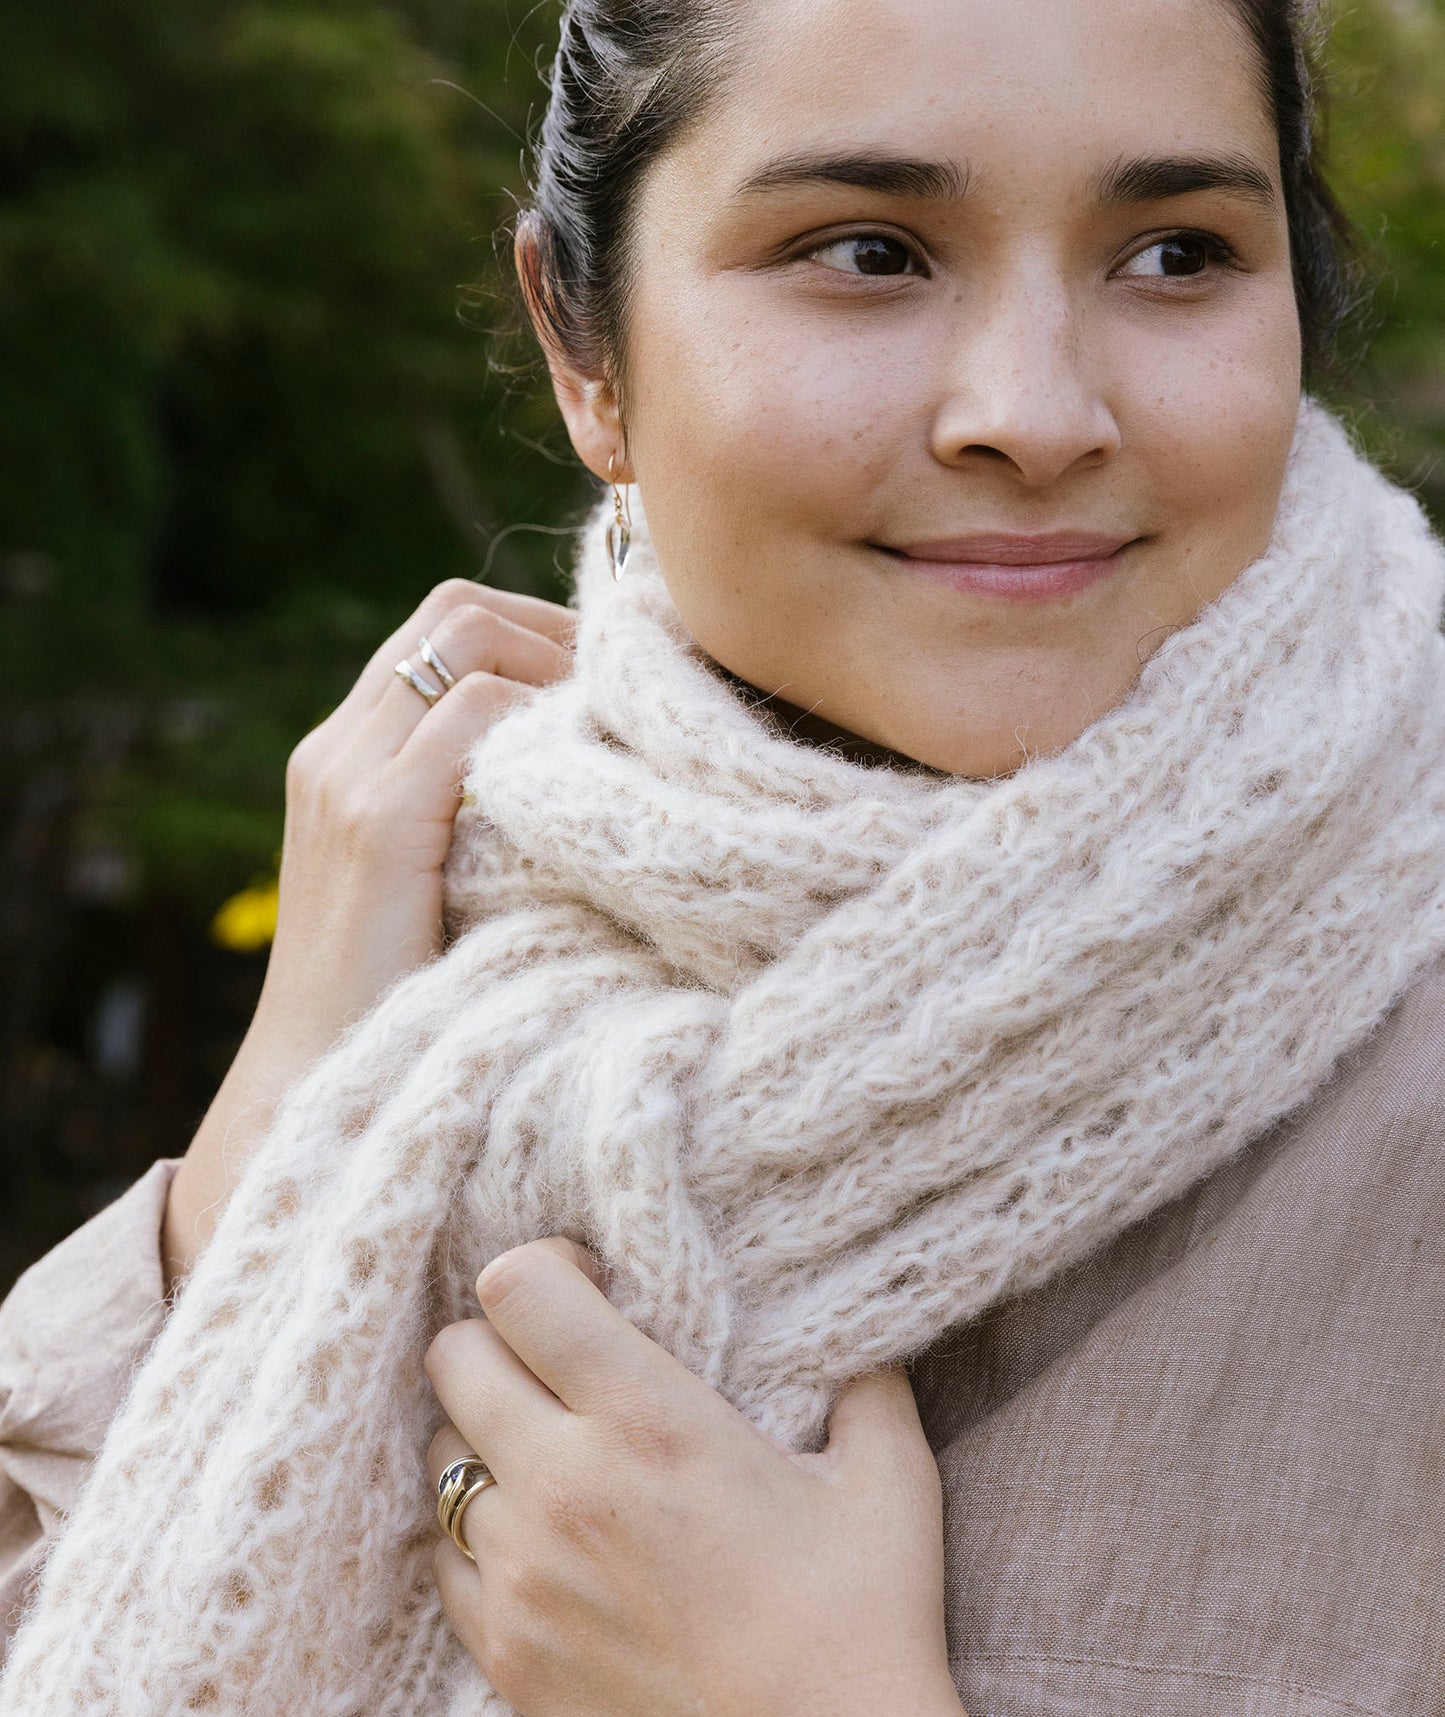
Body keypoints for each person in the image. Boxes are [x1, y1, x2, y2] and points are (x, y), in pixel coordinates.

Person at [2, 0, 1444, 1711]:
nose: (1035, 411)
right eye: (867, 250)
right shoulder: (437, 996)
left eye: (1175, 253)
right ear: (580, 348)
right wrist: (271, 1151)